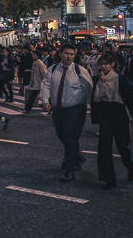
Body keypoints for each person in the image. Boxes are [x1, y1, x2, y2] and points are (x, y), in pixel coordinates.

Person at [90, 53, 133, 189]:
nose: (103, 66)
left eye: (106, 64)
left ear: (112, 65)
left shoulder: (120, 78)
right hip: (105, 113)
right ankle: (109, 178)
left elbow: (132, 98)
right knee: (104, 147)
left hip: (119, 112)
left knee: (123, 146)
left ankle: (130, 166)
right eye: (101, 64)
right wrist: (101, 84)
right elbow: (96, 98)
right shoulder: (99, 79)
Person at [40, 43, 93, 182]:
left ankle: (67, 169)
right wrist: (45, 100)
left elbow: (89, 88)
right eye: (66, 53)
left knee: (70, 137)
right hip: (58, 109)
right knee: (62, 135)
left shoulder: (79, 70)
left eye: (71, 54)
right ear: (60, 53)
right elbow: (46, 85)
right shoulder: (52, 70)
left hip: (75, 109)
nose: (69, 56)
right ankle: (78, 158)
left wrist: (94, 107)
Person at [22, 49, 47, 114]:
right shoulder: (34, 62)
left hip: (39, 83)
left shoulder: (40, 63)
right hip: (36, 83)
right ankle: (27, 110)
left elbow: (44, 73)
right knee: (33, 97)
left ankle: (27, 110)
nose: (32, 55)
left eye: (34, 54)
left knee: (33, 97)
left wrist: (45, 83)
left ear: (37, 56)